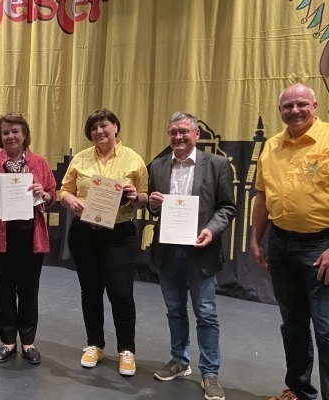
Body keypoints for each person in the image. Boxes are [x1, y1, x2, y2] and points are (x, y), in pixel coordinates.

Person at [148, 112, 236, 400]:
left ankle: (210, 373)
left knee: (206, 314)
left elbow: (227, 207)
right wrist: (154, 205)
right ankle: (179, 360)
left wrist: (211, 230)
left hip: (202, 252)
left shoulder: (218, 164)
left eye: (184, 131)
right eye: (173, 132)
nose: (178, 137)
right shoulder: (158, 166)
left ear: (196, 134)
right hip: (168, 251)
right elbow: (154, 208)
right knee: (174, 310)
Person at [250, 83, 329, 400]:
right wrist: (256, 239)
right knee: (293, 323)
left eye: (301, 105)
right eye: (287, 106)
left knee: (326, 328)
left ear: (315, 105)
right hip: (281, 244)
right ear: (280, 110)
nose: (294, 111)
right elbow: (262, 195)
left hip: (320, 246)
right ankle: (298, 390)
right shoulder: (271, 146)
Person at [59, 109, 148, 376]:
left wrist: (136, 196)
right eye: (94, 127)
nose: (99, 131)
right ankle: (94, 344)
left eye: (104, 126)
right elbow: (63, 190)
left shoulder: (134, 160)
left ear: (115, 128)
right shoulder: (80, 158)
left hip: (119, 234)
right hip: (84, 233)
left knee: (121, 293)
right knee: (91, 291)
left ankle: (127, 350)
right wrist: (69, 200)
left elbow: (145, 197)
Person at [0, 113, 56, 364]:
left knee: (29, 291)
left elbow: (51, 194)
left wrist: (44, 195)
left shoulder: (39, 162)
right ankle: (7, 341)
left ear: (25, 134)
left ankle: (28, 342)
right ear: (0, 136)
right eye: (6, 132)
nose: (10, 136)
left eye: (15, 131)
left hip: (30, 236)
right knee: (4, 291)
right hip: (0, 237)